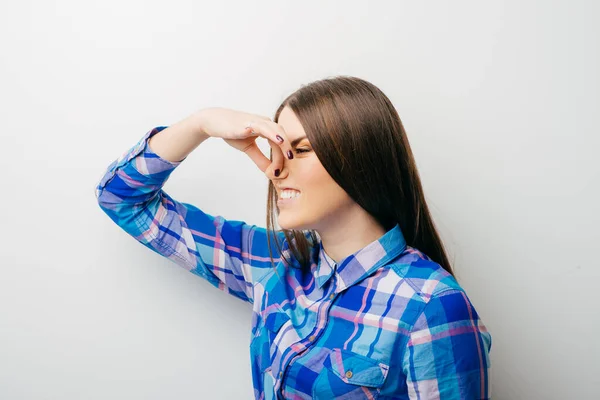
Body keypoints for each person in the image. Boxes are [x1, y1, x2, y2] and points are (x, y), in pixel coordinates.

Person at [95, 76, 492, 399]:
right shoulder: (274, 264)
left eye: (300, 151)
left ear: (357, 160)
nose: (275, 169)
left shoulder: (432, 308)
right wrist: (201, 123)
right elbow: (122, 197)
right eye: (278, 149)